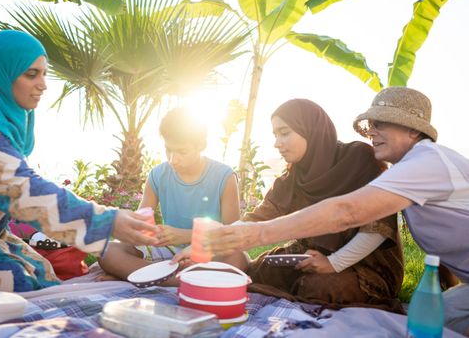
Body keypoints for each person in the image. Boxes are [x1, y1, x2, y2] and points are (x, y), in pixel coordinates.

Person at [203, 87, 469, 336]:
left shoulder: (426, 161)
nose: (372, 132)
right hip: (316, 255)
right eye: (371, 125)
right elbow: (443, 238)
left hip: (365, 267)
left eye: (381, 123)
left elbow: (348, 212)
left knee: (409, 323)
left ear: (413, 130)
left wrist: (260, 235)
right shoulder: (407, 170)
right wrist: (211, 243)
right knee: (416, 322)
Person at [0, 30, 158, 302]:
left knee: (47, 281)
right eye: (31, 74)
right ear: (3, 74)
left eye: (44, 74)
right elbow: (23, 191)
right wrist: (108, 221)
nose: (43, 84)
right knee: (21, 288)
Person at [233, 99, 403, 311]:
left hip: (364, 266)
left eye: (284, 133)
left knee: (315, 288)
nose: (277, 143)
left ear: (309, 130)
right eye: (275, 135)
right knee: (261, 271)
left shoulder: (359, 159)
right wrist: (212, 241)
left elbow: (378, 229)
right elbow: (259, 218)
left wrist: (333, 263)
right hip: (309, 257)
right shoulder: (294, 175)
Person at [98, 106, 243, 282]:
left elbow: (232, 232)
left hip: (210, 251)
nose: (173, 159)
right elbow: (140, 223)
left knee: (238, 258)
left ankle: (146, 276)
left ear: (201, 146)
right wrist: (149, 231)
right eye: (169, 149)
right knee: (107, 250)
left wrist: (186, 235)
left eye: (182, 151)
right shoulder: (158, 175)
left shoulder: (224, 177)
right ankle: (179, 281)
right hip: (169, 252)